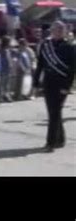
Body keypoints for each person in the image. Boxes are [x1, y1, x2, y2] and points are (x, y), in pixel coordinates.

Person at [34, 21, 75, 153]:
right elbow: (40, 64)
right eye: (56, 29)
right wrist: (35, 83)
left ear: (64, 32)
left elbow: (73, 69)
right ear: (51, 31)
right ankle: (60, 139)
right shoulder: (46, 45)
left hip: (61, 83)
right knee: (54, 112)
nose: (58, 31)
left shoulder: (69, 47)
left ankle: (50, 143)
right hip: (48, 82)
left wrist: (67, 86)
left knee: (54, 113)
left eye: (60, 29)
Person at [0, 36, 14, 102]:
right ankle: (0, 96)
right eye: (9, 42)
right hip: (3, 68)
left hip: (7, 68)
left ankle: (6, 95)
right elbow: (4, 60)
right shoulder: (3, 50)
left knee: (7, 83)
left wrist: (11, 65)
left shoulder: (7, 50)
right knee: (2, 82)